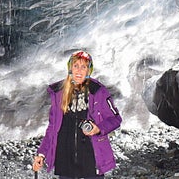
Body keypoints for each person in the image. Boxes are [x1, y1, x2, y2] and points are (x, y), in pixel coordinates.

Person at [32, 50, 122, 178]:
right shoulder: (58, 92)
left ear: (89, 70)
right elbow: (52, 128)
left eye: (83, 67)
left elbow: (116, 119)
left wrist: (98, 129)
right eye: (76, 66)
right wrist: (41, 154)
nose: (79, 71)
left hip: (91, 159)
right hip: (65, 160)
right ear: (70, 68)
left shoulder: (98, 91)